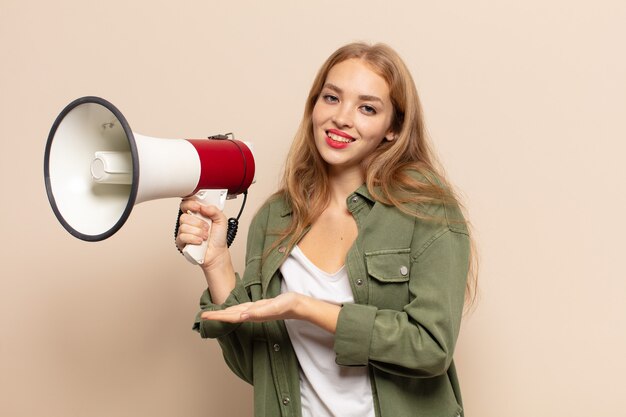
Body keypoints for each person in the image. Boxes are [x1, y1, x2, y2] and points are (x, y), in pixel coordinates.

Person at [176, 42, 477, 417]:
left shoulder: (427, 212)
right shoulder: (274, 218)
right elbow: (258, 369)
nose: (342, 118)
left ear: (393, 129)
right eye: (331, 98)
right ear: (314, 106)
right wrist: (217, 262)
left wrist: (305, 307)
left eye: (367, 108)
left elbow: (430, 346)